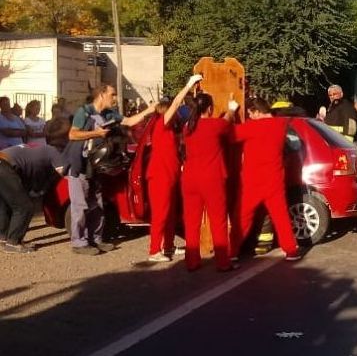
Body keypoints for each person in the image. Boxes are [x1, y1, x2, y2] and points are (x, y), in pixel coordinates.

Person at [62, 84, 154, 255]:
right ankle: (79, 243)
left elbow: (129, 121)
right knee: (80, 206)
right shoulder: (85, 111)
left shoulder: (109, 114)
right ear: (102, 94)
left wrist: (150, 110)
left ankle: (96, 239)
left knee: (96, 204)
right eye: (112, 94)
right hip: (80, 166)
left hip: (95, 167)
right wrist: (96, 133)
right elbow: (73, 134)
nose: (115, 98)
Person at [229, 96, 301, 262]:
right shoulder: (281, 125)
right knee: (281, 216)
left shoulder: (252, 127)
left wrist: (232, 112)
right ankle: (291, 250)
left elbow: (231, 135)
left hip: (252, 180)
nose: (249, 116)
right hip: (274, 178)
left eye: (250, 113)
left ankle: (231, 252)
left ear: (256, 112)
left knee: (242, 218)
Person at [145, 75, 202, 262]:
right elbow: (177, 102)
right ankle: (154, 250)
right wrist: (188, 85)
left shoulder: (170, 129)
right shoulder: (161, 125)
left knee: (170, 213)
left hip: (170, 174)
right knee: (161, 213)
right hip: (160, 175)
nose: (176, 112)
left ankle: (167, 246)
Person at [181, 88, 237, 272]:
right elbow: (227, 121)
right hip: (211, 177)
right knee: (218, 220)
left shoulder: (187, 127)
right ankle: (222, 262)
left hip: (189, 178)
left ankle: (192, 260)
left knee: (191, 221)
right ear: (210, 108)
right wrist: (232, 108)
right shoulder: (214, 125)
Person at [0, 121, 69, 253]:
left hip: (3, 160)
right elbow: (63, 172)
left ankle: (3, 238)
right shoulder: (52, 150)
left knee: (4, 205)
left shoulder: (40, 147)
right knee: (24, 207)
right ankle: (13, 242)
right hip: (5, 167)